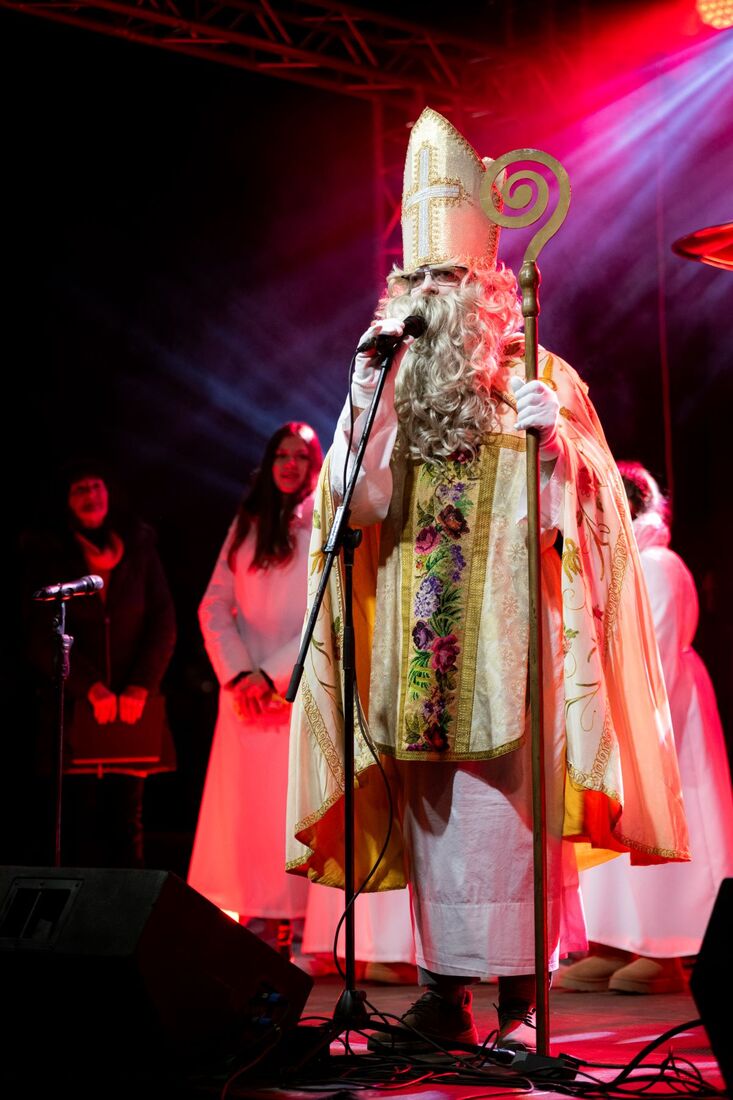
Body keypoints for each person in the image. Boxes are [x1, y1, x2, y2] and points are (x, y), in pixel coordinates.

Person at [285, 106, 690, 1053]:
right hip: (414, 655)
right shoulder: (388, 382)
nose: (427, 297)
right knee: (434, 831)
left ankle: (518, 1002)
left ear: (485, 289)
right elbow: (355, 506)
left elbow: (587, 524)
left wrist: (558, 455)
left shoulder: (541, 376)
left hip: (512, 654)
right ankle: (442, 996)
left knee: (506, 832)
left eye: (445, 280)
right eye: (414, 279)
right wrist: (364, 399)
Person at [557, 461, 733, 994]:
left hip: (663, 715)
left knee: (665, 825)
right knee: (616, 828)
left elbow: (654, 651)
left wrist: (626, 714)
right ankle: (616, 942)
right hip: (615, 710)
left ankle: (665, 950)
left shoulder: (656, 563)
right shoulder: (613, 565)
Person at [187, 421, 322, 959]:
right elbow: (214, 604)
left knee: (294, 812)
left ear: (314, 465)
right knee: (247, 816)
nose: (289, 465)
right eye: (281, 455)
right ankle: (256, 925)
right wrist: (241, 674)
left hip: (296, 689)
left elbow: (324, 610)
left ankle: (307, 931)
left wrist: (273, 675)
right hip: (244, 697)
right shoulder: (247, 522)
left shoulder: (323, 519)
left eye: (300, 456)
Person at [20, 457, 177, 868]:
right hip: (75, 711)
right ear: (66, 499)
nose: (90, 495)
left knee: (127, 824)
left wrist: (142, 684)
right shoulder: (47, 550)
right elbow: (38, 633)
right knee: (78, 826)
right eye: (80, 489)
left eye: (96, 486)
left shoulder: (138, 544)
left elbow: (163, 622)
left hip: (131, 709)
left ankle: (128, 910)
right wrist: (89, 686)